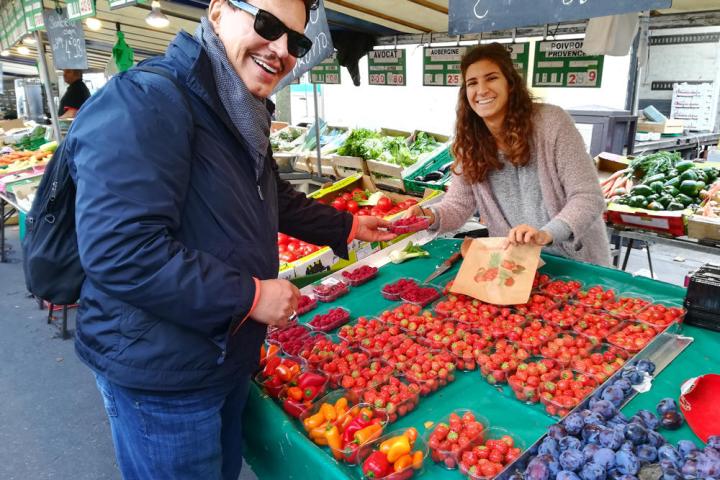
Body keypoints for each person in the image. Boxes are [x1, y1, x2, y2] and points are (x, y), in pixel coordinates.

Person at [64, 0, 394, 478]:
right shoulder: (148, 98)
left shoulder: (236, 105)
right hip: (163, 372)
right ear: (218, 11)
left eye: (296, 41)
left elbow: (267, 194)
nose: (281, 49)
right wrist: (251, 295)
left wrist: (344, 226)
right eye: (266, 24)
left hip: (220, 351)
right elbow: (121, 251)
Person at [409, 43, 610, 266]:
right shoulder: (470, 141)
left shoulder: (552, 123)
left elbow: (588, 197)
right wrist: (430, 215)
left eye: (491, 78)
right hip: (517, 262)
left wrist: (546, 234)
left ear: (510, 84)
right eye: (472, 83)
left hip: (575, 261)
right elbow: (458, 205)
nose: (482, 89)